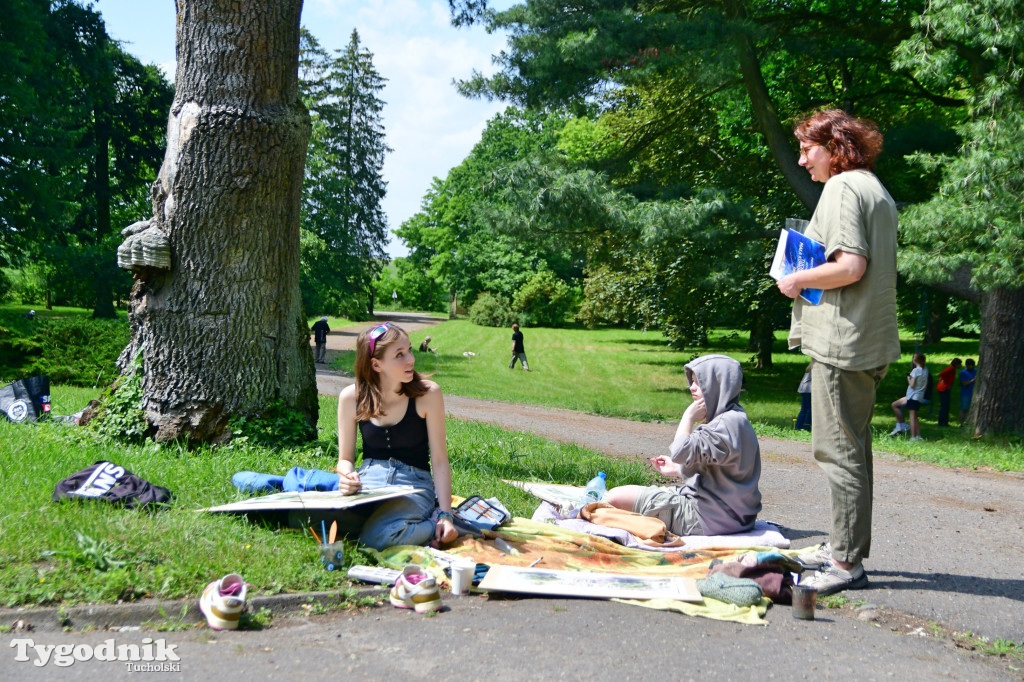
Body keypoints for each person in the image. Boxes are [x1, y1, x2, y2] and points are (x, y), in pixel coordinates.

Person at [777, 109, 900, 595]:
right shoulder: (876, 189)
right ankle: (845, 549)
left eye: (809, 149)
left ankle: (846, 564)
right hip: (870, 342)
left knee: (838, 452)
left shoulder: (843, 188)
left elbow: (850, 266)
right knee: (856, 451)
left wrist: (797, 279)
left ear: (836, 147)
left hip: (841, 343)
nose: (804, 160)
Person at [603, 355, 761, 537]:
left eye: (699, 383)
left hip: (707, 519)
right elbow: (725, 474)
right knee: (624, 498)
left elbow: (680, 451)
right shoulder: (736, 418)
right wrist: (678, 469)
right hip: (732, 517)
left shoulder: (723, 425)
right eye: (692, 382)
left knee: (614, 498)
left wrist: (688, 417)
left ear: (718, 384)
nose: (691, 388)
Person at [335, 322, 458, 550]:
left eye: (409, 350)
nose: (411, 359)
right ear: (376, 364)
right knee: (316, 519)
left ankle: (433, 526)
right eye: (399, 354)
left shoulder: (428, 394)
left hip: (413, 485)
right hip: (368, 481)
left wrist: (445, 515)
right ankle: (395, 529)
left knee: (376, 537)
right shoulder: (350, 397)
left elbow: (440, 461)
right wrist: (347, 477)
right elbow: (345, 460)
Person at [891, 353, 928, 440]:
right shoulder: (925, 370)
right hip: (919, 396)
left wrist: (908, 377)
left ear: (915, 360)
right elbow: (925, 386)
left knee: (912, 418)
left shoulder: (915, 371)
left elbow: (912, 384)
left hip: (912, 396)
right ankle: (918, 436)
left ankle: (913, 437)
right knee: (915, 417)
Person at [935, 358, 962, 426]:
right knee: (944, 406)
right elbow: (942, 373)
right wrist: (945, 380)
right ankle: (941, 422)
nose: (960, 366)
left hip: (945, 389)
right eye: (959, 364)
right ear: (956, 364)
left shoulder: (953, 369)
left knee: (946, 406)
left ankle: (945, 421)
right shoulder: (951, 368)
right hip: (943, 389)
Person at [794, 361, 813, 432]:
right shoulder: (815, 367)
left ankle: (798, 426)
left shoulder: (810, 366)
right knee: (810, 409)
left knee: (804, 409)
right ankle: (806, 427)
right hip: (809, 389)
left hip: (803, 388)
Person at [959, 358, 977, 425]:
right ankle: (961, 423)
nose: (971, 367)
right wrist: (973, 380)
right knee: (964, 408)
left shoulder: (975, 370)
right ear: (966, 365)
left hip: (974, 393)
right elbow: (964, 383)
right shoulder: (963, 373)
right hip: (965, 393)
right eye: (970, 366)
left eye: (972, 365)